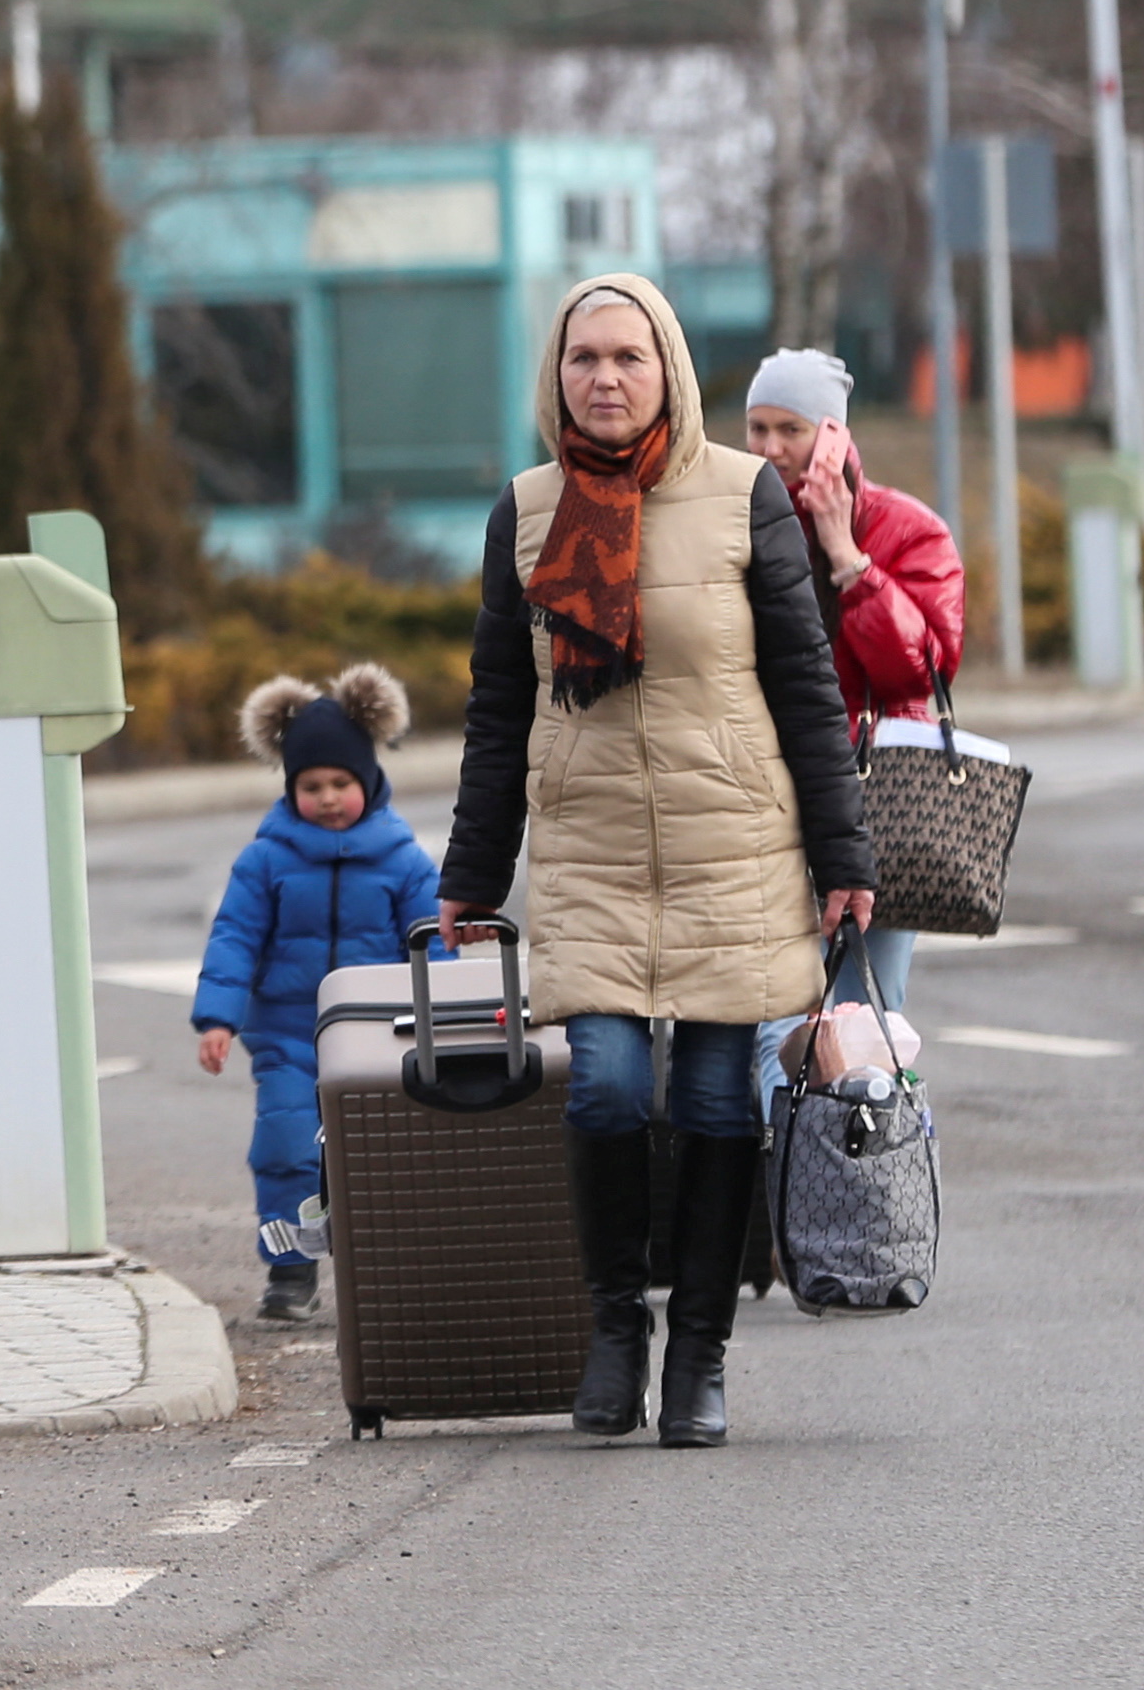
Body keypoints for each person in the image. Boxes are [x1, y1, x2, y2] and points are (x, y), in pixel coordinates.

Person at [438, 277, 874, 1452]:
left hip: (731, 841)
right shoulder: (528, 512)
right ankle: (615, 1324)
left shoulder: (744, 500)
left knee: (717, 1096)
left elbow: (806, 686)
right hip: (589, 851)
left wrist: (843, 852)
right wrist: (469, 877)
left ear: (668, 367)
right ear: (557, 374)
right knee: (611, 1088)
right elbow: (498, 708)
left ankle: (700, 1351)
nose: (607, 378)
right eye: (585, 358)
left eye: (630, 356)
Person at [187, 665, 443, 1324]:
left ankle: (394, 1267)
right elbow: (235, 939)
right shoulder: (264, 860)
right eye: (310, 786)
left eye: (340, 784)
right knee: (284, 1146)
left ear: (368, 781)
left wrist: (443, 1016)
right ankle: (290, 1267)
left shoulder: (405, 861)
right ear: (289, 787)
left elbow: (433, 949)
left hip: (383, 1040)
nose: (327, 798)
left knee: (390, 1157)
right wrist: (218, 1018)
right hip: (287, 1036)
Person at [737, 345, 965, 1012]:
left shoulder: (907, 530)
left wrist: (848, 560)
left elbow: (919, 670)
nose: (770, 447)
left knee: (864, 1012)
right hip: (761, 797)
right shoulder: (733, 528)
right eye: (757, 428)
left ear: (833, 436)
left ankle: (864, 1120)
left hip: (874, 804)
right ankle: (784, 1121)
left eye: (791, 429)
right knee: (769, 1017)